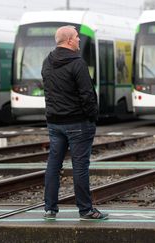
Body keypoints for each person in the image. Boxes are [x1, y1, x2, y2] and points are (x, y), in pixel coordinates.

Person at [41, 25, 108, 221]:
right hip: (78, 122)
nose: (79, 40)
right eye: (77, 37)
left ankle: (50, 208)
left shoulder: (47, 61)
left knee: (54, 165)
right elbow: (87, 95)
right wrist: (92, 116)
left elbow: (48, 91)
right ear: (69, 40)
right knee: (80, 167)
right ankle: (86, 210)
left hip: (54, 122)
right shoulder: (77, 63)